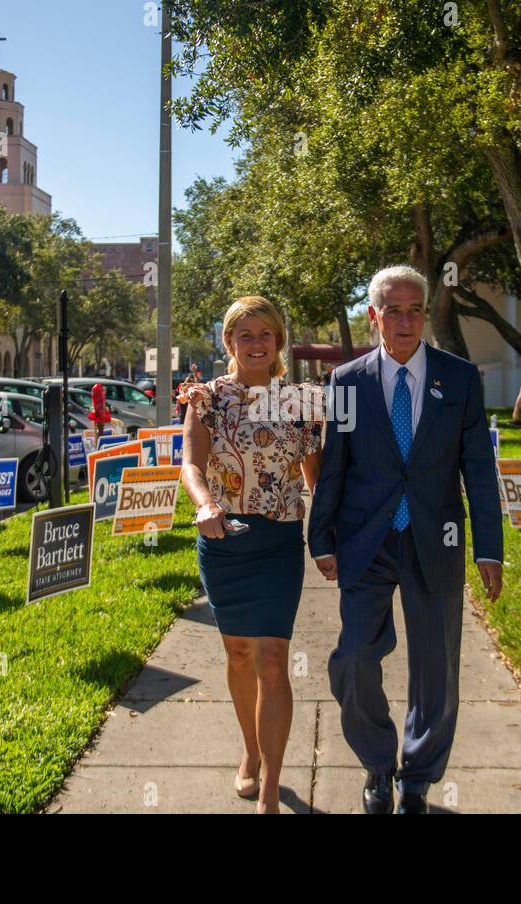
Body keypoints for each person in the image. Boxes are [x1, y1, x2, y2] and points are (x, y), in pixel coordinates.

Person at [308, 265, 504, 814]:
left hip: (433, 541)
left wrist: (489, 548)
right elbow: (335, 467)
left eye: (414, 309)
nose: (404, 319)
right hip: (365, 542)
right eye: (391, 310)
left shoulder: (460, 379)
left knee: (436, 671)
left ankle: (416, 779)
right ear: (373, 317)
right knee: (352, 659)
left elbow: (478, 471)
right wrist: (320, 535)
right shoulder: (346, 381)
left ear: (425, 316)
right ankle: (377, 764)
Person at [181, 296, 324, 814]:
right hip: (224, 541)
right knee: (238, 654)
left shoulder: (301, 402)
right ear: (229, 342)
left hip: (279, 543)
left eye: (266, 333)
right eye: (246, 334)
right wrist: (205, 506)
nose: (257, 343)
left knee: (271, 658)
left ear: (279, 342)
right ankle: (249, 751)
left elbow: (317, 479)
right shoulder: (207, 399)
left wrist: (329, 540)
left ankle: (271, 784)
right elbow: (191, 465)